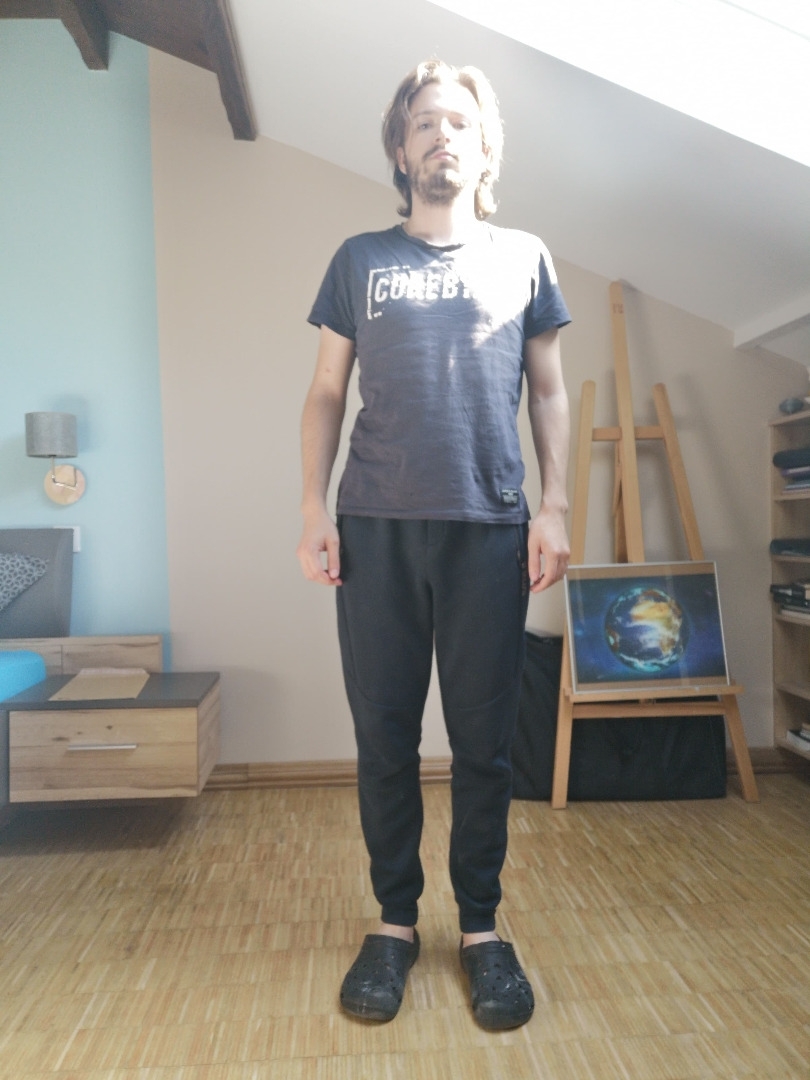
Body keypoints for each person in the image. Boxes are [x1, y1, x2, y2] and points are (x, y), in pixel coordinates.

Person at [296, 59, 571, 1030]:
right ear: (400, 147)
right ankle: (395, 924)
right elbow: (326, 392)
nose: (441, 134)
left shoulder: (524, 257)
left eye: (459, 121)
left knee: (484, 747)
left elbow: (549, 390)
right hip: (374, 530)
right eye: (423, 121)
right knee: (384, 738)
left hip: (490, 529)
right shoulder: (360, 260)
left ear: (484, 148)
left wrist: (555, 507)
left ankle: (483, 930)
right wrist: (313, 509)